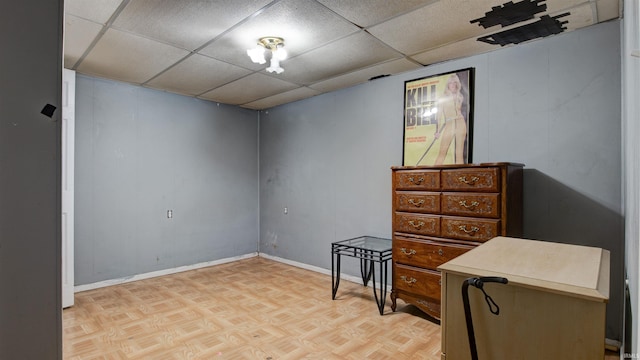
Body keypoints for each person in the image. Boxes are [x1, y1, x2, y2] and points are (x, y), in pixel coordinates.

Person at [434, 73, 467, 165]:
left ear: (457, 84)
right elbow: (439, 115)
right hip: (449, 123)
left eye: (455, 82)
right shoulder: (443, 98)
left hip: (460, 123)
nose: (453, 85)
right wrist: (437, 131)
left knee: (459, 154)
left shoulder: (460, 97)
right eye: (450, 83)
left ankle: (459, 177)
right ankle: (434, 175)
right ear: (448, 85)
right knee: (442, 152)